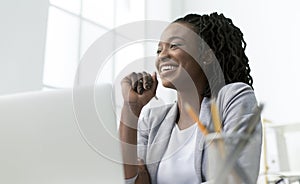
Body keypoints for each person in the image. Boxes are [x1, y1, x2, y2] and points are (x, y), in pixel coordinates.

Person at [119, 12, 262, 184]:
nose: (162, 55)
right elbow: (128, 181)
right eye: (159, 50)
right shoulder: (152, 121)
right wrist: (130, 109)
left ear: (207, 55)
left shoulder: (233, 99)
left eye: (174, 45)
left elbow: (235, 179)